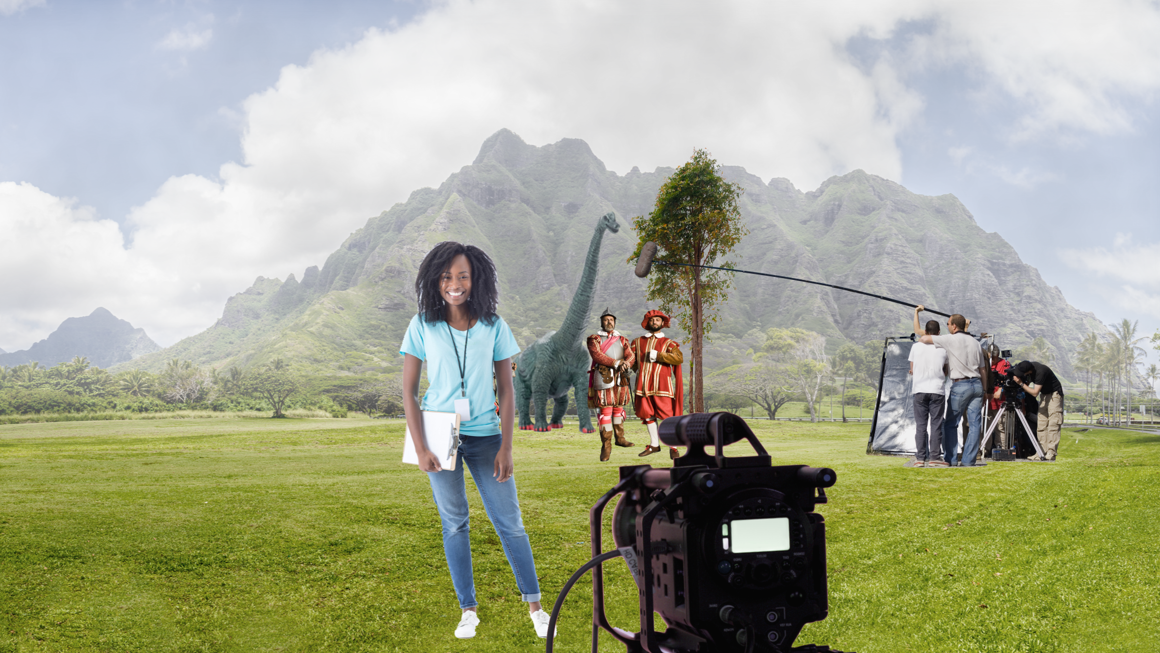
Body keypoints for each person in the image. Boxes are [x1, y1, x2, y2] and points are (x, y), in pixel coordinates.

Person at [399, 241, 554, 640]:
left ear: (476, 279)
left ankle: (536, 606)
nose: (455, 283)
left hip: (486, 436)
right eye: (447, 276)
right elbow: (410, 391)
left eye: (463, 276)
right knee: (455, 524)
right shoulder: (422, 325)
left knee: (511, 523)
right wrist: (420, 448)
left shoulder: (494, 325)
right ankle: (468, 609)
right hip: (438, 433)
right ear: (435, 280)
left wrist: (507, 446)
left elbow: (507, 389)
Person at [917, 307, 986, 466]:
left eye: (948, 324)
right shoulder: (976, 343)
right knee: (975, 425)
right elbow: (983, 369)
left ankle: (951, 459)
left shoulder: (950, 339)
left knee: (951, 423)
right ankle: (969, 461)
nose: (947, 326)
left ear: (954, 326)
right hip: (977, 385)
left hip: (960, 384)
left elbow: (924, 339)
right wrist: (984, 389)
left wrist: (928, 334)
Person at [630, 309, 683, 459]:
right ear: (647, 322)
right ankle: (654, 445)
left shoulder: (669, 343)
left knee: (667, 417)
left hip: (662, 386)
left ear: (662, 323)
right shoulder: (637, 342)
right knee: (648, 415)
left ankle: (673, 447)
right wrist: (626, 369)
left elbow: (678, 359)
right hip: (643, 386)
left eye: (658, 320)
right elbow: (632, 361)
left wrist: (659, 356)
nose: (655, 322)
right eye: (652, 320)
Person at [586, 308, 635, 461]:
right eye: (606, 320)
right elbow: (597, 355)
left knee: (618, 410)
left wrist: (627, 364)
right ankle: (606, 445)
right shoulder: (594, 338)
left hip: (621, 377)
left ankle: (620, 438)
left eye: (611, 320)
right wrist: (616, 362)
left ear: (614, 321)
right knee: (606, 412)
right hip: (603, 376)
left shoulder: (622, 340)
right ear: (601, 321)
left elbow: (631, 355)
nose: (609, 322)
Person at [909, 307, 949, 467]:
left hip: (919, 390)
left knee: (920, 425)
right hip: (937, 390)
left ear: (925, 331)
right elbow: (945, 371)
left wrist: (916, 312)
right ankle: (934, 457)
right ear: (939, 332)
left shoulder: (915, 347)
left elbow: (912, 369)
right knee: (936, 424)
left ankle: (919, 458)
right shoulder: (943, 348)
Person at [1011, 360, 1064, 461]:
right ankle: (1040, 452)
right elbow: (1029, 382)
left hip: (1054, 395)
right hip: (1044, 395)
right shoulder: (1030, 369)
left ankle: (1051, 452)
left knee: (1053, 423)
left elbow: (1035, 392)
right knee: (1041, 424)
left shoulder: (1041, 371)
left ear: (1028, 371)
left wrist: (1021, 383)